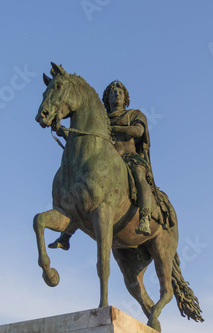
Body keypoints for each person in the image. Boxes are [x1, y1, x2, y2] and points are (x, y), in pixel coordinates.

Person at [49, 80, 155, 250]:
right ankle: (66, 234)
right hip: (106, 161)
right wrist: (63, 133)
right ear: (107, 98)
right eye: (112, 92)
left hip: (129, 158)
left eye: (120, 91)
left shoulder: (134, 114)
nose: (116, 94)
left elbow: (137, 132)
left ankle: (144, 217)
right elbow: (86, 143)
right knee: (83, 186)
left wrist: (113, 130)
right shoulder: (100, 119)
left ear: (125, 97)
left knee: (139, 175)